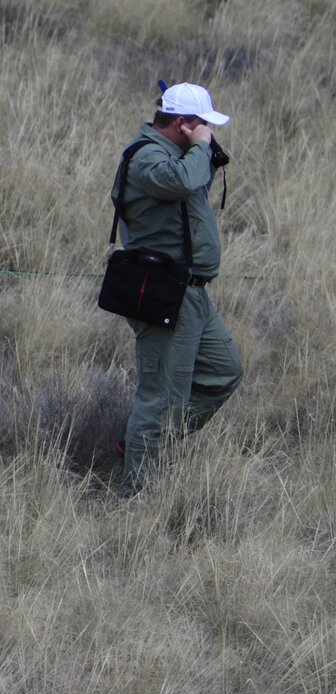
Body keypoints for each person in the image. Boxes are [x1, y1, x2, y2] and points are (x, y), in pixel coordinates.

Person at [113, 83, 243, 489]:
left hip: (191, 292)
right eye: (202, 124)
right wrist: (201, 148)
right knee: (161, 399)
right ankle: (136, 495)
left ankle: (146, 440)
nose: (208, 131)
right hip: (163, 291)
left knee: (225, 373)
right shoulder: (147, 157)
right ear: (184, 124)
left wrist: (202, 151)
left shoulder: (175, 155)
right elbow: (180, 183)